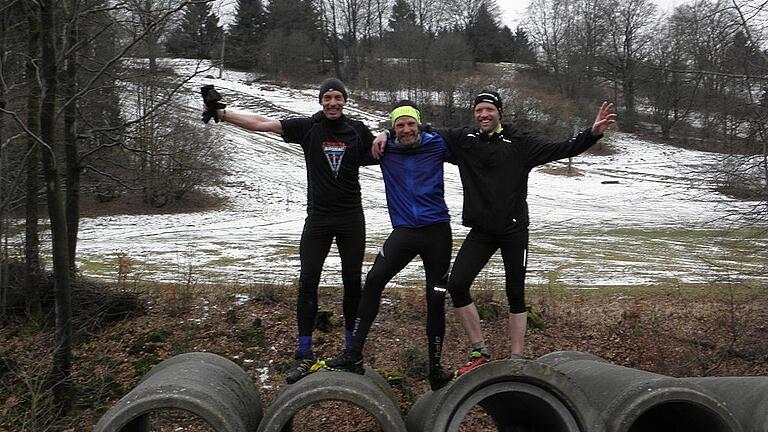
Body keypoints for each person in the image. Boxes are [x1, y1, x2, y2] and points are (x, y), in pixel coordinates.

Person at [373, 91, 616, 377]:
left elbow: (561, 148)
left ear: (499, 111)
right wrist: (386, 133)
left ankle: (516, 358)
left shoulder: (520, 143)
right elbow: (417, 129)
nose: (483, 115)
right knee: (457, 284)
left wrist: (592, 133)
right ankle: (480, 350)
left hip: (514, 231)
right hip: (481, 231)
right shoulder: (465, 140)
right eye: (479, 111)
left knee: (515, 293)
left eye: (489, 109)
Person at [202, 78, 377, 384]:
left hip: (351, 218)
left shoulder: (358, 130)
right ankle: (304, 354)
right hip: (318, 220)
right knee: (308, 282)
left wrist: (389, 131)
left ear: (344, 101)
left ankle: (352, 353)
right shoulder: (308, 127)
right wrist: (222, 113)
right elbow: (262, 123)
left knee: (352, 284)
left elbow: (385, 146)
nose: (333, 102)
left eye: (338, 97)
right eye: (328, 97)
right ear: (321, 101)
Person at [323, 101, 456, 390]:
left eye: (411, 123)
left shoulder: (437, 145)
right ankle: (353, 354)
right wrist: (381, 134)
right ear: (393, 129)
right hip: (405, 233)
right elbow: (350, 146)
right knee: (373, 280)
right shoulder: (385, 149)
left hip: (437, 232)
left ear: (418, 124)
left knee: (435, 298)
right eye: (399, 125)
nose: (406, 129)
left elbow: (465, 141)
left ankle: (435, 369)